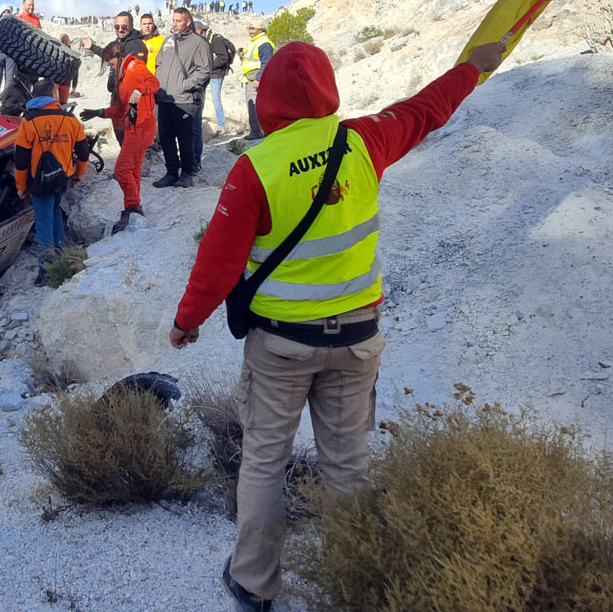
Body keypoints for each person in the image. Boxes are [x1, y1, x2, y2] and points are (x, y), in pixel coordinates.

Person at [167, 40, 507, 611]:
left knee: (265, 460)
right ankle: (354, 580)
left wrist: (187, 322)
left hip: (281, 346)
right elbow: (426, 108)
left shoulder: (257, 167)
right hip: (356, 341)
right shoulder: (363, 141)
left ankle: (254, 582)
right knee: (347, 464)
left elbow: (217, 264)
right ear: (328, 89)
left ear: (268, 98)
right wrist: (473, 67)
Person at [80, 40, 160, 234]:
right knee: (132, 170)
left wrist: (139, 90)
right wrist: (99, 112)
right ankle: (134, 208)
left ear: (118, 56)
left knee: (122, 169)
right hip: (137, 126)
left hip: (141, 127)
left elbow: (153, 83)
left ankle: (133, 207)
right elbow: (121, 108)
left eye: (109, 60)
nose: (108, 64)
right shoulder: (123, 74)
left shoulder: (133, 66)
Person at [14, 80, 89, 285]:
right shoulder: (70, 119)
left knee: (43, 224)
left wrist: (20, 187)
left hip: (40, 182)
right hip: (62, 179)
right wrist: (78, 175)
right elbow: (83, 152)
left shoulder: (28, 122)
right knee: (55, 213)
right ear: (53, 96)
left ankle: (46, 272)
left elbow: (20, 160)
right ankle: (62, 259)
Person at [151, 7, 210, 188]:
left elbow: (205, 69)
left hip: (184, 100)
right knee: (166, 138)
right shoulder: (168, 41)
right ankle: (171, 172)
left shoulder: (198, 43)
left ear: (188, 22)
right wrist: (158, 87)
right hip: (165, 98)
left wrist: (185, 86)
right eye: (173, 20)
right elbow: (158, 65)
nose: (174, 24)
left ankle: (187, 173)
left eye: (178, 21)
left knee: (185, 139)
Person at [78, 11, 148, 146]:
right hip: (117, 98)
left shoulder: (136, 45)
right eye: (117, 27)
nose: (120, 30)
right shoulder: (119, 41)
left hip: (128, 101)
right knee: (122, 139)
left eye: (124, 26)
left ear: (132, 26)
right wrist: (92, 47)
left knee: (129, 142)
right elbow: (108, 55)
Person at [240, 21, 275, 140]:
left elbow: (267, 62)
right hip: (250, 78)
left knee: (253, 106)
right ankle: (262, 130)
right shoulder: (256, 41)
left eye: (253, 28)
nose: (250, 31)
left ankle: (257, 132)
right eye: (249, 28)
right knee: (255, 105)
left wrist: (258, 79)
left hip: (255, 79)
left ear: (260, 29)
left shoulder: (263, 43)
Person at [199, 20, 236, 134]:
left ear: (200, 31)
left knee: (216, 99)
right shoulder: (206, 40)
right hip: (209, 72)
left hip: (217, 73)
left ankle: (221, 125)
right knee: (201, 97)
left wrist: (209, 66)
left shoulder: (216, 40)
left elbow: (223, 57)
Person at [188, 19, 215, 172]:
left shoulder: (202, 45)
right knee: (190, 128)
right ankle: (191, 160)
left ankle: (196, 161)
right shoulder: (194, 45)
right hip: (191, 90)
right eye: (201, 29)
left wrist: (192, 84)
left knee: (195, 127)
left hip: (196, 91)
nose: (203, 32)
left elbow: (205, 71)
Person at [55, 35, 80, 103]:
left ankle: (63, 112)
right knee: (53, 101)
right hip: (56, 80)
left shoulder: (73, 55)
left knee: (63, 102)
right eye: (62, 41)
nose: (64, 43)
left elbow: (75, 71)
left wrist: (74, 86)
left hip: (66, 81)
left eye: (66, 41)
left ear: (69, 42)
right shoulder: (55, 52)